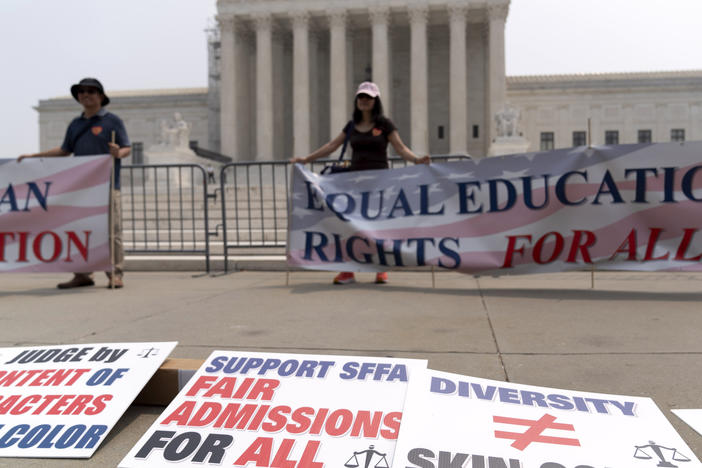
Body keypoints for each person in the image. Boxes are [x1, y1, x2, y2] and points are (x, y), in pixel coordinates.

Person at [290, 81, 430, 285]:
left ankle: (381, 269)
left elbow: (400, 148)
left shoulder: (385, 125)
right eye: (361, 97)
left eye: (368, 97)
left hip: (379, 182)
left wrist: (417, 160)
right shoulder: (351, 126)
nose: (364, 100)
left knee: (378, 228)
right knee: (349, 227)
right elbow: (331, 146)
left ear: (375, 101)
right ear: (357, 100)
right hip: (354, 182)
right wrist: (306, 159)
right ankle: (347, 271)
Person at [18, 77, 131, 289]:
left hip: (107, 186)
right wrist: (35, 155)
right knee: (80, 230)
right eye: (81, 92)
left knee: (111, 231)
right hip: (82, 190)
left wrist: (118, 152)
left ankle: (115, 273)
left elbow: (126, 147)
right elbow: (64, 150)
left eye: (91, 91)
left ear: (101, 96)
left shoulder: (112, 121)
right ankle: (82, 274)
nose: (85, 95)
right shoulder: (76, 124)